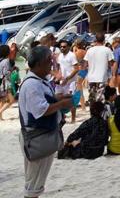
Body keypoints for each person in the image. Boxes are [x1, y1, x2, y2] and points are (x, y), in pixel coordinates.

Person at [19, 46, 73, 197]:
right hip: (37, 137)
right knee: (34, 183)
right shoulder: (32, 84)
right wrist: (61, 104)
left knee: (36, 181)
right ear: (38, 64)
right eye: (49, 61)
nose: (52, 63)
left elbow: (42, 102)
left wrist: (58, 99)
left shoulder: (39, 81)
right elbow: (39, 111)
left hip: (41, 135)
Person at [83, 34, 114, 105]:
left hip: (91, 77)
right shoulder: (107, 50)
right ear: (104, 40)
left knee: (92, 98)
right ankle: (100, 114)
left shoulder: (90, 50)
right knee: (100, 98)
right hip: (102, 77)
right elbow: (111, 63)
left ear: (95, 40)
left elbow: (85, 65)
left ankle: (92, 113)